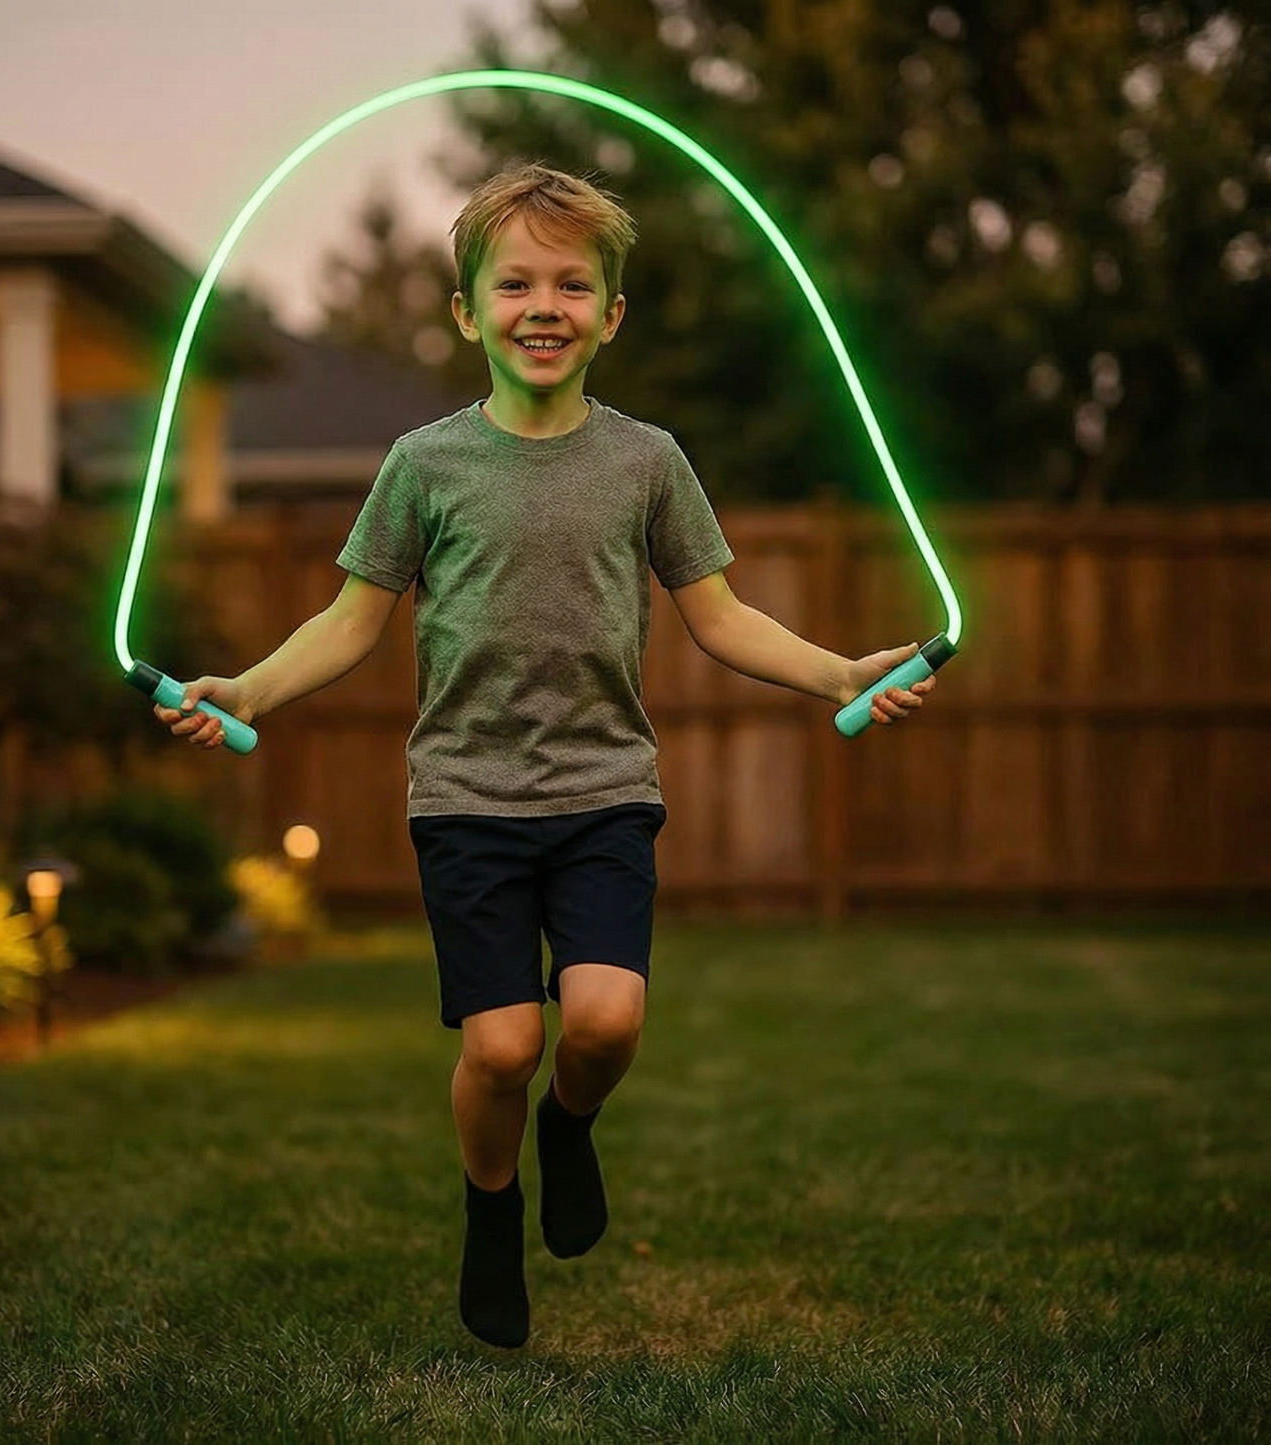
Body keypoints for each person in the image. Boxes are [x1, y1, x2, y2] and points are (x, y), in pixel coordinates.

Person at [155, 163, 935, 1349]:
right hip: (464, 796)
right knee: (502, 1041)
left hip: (603, 789)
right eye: (513, 281)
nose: (543, 304)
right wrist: (247, 686)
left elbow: (717, 616)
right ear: (465, 310)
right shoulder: (424, 465)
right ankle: (490, 1202)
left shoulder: (646, 462)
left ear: (610, 316)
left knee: (604, 1023)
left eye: (573, 284)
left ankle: (568, 1127)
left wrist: (839, 672)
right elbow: (351, 621)